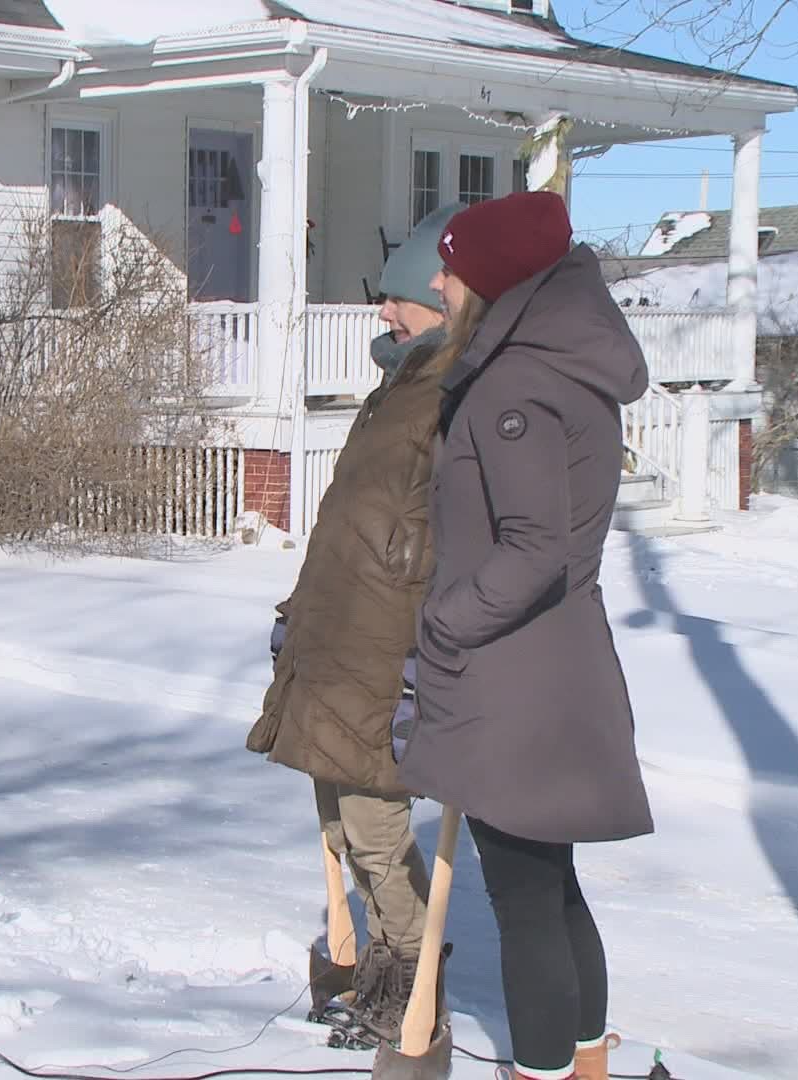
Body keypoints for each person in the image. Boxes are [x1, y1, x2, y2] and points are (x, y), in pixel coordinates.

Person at [398, 190, 654, 1080]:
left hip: (514, 671)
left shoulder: (516, 383)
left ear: (496, 279)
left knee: (524, 897)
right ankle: (585, 1064)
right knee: (550, 882)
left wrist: (444, 623)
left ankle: (542, 1071)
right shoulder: (556, 364)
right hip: (555, 658)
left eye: (453, 266)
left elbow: (535, 547)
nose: (439, 280)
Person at [247, 203, 462, 1042]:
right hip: (338, 632)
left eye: (397, 298)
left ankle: (416, 984)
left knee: (374, 826)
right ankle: (383, 965)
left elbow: (456, 527)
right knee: (338, 822)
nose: (382, 311)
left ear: (442, 306)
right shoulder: (399, 388)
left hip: (383, 644)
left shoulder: (448, 393)